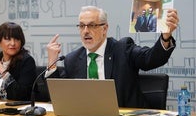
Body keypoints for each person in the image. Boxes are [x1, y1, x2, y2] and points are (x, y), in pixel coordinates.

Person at [46, 6, 179, 108]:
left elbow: (150, 59)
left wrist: (165, 37)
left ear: (105, 28)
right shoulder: (73, 59)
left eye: (92, 25)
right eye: (81, 26)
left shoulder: (123, 49)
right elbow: (59, 95)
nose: (85, 31)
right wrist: (52, 62)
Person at [0, 22, 37, 101]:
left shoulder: (27, 61)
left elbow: (22, 95)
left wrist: (3, 71)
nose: (13, 43)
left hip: (16, 110)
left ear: (21, 42)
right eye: (8, 39)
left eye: (17, 39)